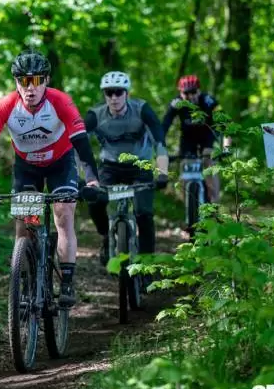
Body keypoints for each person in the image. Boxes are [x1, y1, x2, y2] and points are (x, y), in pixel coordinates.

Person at [0, 50, 100, 308]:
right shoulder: (6, 106)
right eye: (23, 81)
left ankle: (67, 281)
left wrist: (92, 181)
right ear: (16, 82)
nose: (30, 88)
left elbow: (82, 144)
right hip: (26, 167)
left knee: (63, 213)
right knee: (24, 224)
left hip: (60, 164)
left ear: (46, 80)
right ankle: (25, 282)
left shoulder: (60, 101)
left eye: (36, 80)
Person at [84, 71, 169, 267]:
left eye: (118, 92)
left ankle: (147, 264)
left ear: (127, 93)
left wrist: (162, 173)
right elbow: (77, 144)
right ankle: (105, 235)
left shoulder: (142, 110)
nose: (114, 98)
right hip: (109, 167)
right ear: (104, 95)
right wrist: (80, 176)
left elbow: (160, 142)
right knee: (95, 200)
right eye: (109, 93)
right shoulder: (95, 115)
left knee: (144, 214)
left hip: (140, 166)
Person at [162, 75, 231, 203]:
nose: (190, 96)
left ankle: (214, 201)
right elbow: (164, 126)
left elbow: (225, 125)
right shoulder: (176, 103)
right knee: (185, 165)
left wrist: (226, 148)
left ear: (199, 91)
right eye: (186, 93)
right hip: (188, 138)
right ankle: (188, 206)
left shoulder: (209, 101)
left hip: (207, 135)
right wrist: (160, 147)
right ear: (180, 93)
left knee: (208, 160)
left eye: (193, 92)